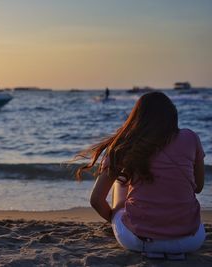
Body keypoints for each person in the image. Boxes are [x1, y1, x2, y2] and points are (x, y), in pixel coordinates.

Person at [75, 92, 205, 257]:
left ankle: (134, 221)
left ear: (137, 118)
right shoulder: (191, 138)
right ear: (172, 116)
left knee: (120, 182)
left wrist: (115, 219)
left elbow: (96, 200)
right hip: (190, 240)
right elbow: (198, 187)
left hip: (139, 240)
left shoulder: (125, 145)